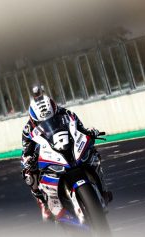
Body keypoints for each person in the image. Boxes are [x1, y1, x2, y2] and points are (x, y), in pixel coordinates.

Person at [21, 85, 112, 220]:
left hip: (69, 147)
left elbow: (81, 129)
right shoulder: (28, 129)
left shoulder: (66, 114)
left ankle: (103, 189)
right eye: (42, 121)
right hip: (47, 155)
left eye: (51, 118)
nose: (48, 121)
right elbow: (26, 151)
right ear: (34, 119)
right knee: (28, 174)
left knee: (93, 153)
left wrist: (90, 132)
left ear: (54, 109)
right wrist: (28, 159)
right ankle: (43, 203)